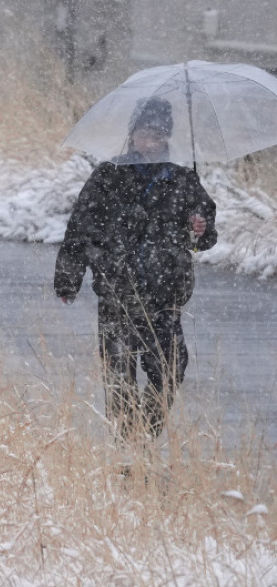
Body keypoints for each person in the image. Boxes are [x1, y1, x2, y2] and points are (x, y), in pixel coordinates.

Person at [54, 96, 218, 440]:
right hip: (118, 293)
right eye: (145, 133)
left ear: (167, 138)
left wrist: (199, 228)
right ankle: (126, 446)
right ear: (133, 135)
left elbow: (202, 237)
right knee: (119, 375)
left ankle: (144, 435)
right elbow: (80, 227)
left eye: (158, 134)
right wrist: (69, 279)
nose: (151, 140)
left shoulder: (182, 180)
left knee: (170, 370)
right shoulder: (109, 176)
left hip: (166, 296)